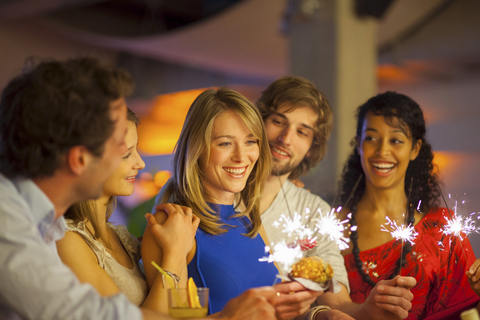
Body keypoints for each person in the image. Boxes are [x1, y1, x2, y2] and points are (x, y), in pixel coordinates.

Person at [0, 57, 278, 320]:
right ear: (80, 158)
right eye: (122, 146)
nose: (139, 161)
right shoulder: (8, 225)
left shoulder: (47, 225)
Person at [143, 87, 321, 317]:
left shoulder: (248, 219)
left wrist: (317, 312)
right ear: (197, 149)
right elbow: (173, 316)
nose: (241, 156)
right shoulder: (172, 224)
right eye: (225, 143)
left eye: (250, 141)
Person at [255, 77, 416, 320]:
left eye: (302, 132)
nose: (286, 138)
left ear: (311, 146)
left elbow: (337, 299)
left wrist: (367, 309)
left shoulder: (314, 213)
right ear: (258, 121)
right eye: (278, 122)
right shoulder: (215, 190)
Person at [338, 91, 479, 319]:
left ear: (414, 149)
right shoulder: (333, 227)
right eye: (371, 138)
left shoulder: (442, 228)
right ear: (358, 145)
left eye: (396, 140)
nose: (382, 151)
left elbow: (469, 313)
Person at [56, 108, 198, 314]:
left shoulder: (122, 237)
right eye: (126, 154)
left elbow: (181, 312)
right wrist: (175, 253)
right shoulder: (66, 241)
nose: (140, 163)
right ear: (84, 161)